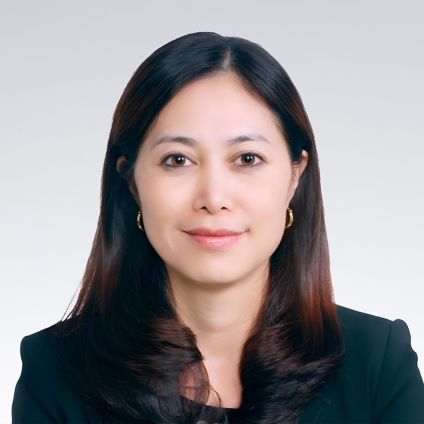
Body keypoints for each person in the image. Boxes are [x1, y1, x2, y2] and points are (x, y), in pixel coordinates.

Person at [11, 31, 424, 424]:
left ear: (295, 175)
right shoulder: (55, 371)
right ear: (131, 180)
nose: (213, 197)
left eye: (247, 159)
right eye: (177, 160)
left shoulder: (378, 361)